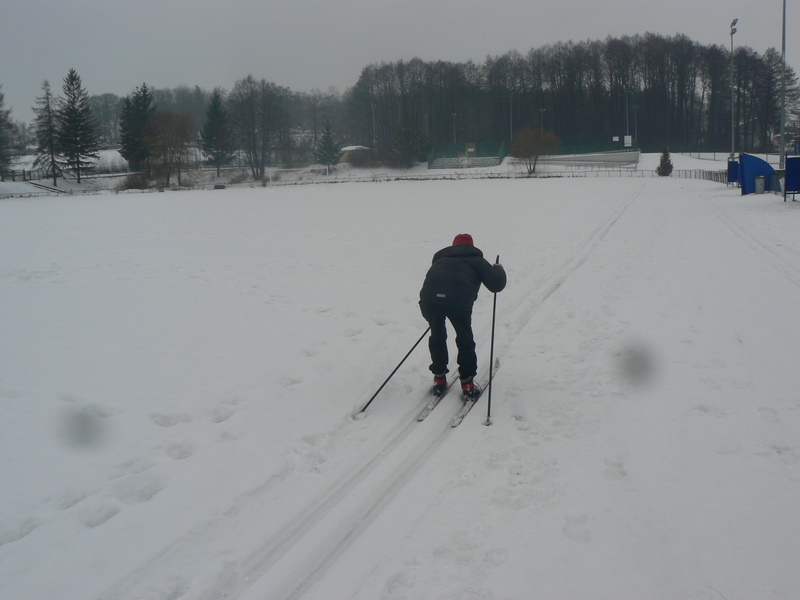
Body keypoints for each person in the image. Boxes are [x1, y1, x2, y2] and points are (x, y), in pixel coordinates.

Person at [419, 233, 506, 399]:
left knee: (437, 334)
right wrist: (498, 269)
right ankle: (467, 383)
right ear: (471, 246)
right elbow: (496, 285)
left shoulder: (440, 259)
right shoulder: (477, 260)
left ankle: (439, 379)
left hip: (429, 300)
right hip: (458, 301)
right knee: (464, 337)